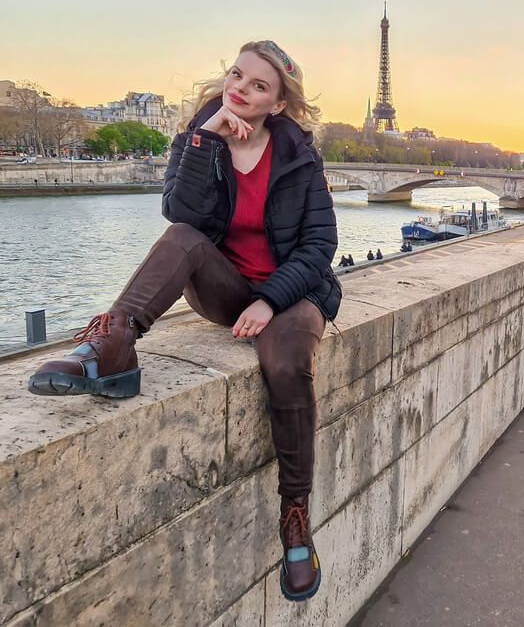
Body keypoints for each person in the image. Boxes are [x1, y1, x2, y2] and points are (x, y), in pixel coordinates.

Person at [26, 40, 340, 603]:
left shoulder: (299, 157)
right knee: (181, 239)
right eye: (237, 75)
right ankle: (114, 344)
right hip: (223, 288)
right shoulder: (200, 135)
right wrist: (205, 141)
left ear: (278, 105)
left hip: (293, 294)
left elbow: (320, 247)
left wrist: (270, 300)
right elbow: (182, 214)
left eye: (258, 86)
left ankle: (295, 513)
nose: (240, 89)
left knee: (288, 366)